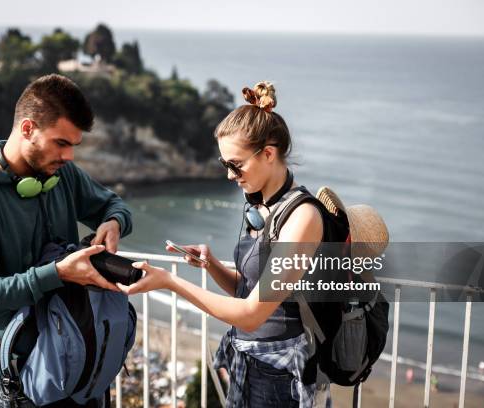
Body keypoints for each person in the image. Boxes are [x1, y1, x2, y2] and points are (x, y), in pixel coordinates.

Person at [118, 81, 329, 407]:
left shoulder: (303, 219)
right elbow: (247, 290)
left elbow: (251, 314)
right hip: (246, 360)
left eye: (236, 164)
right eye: (224, 164)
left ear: (269, 154)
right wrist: (212, 265)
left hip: (280, 374)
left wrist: (170, 282)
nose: (230, 175)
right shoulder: (258, 205)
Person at [0, 74, 132, 407]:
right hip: (20, 379)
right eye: (61, 143)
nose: (69, 156)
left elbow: (113, 204)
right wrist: (56, 274)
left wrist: (114, 222)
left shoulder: (62, 174)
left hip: (81, 361)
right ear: (28, 129)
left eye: (73, 145)